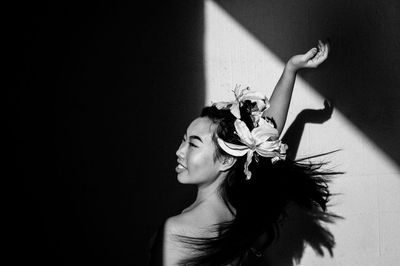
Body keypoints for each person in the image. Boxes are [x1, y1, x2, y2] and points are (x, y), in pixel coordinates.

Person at [148, 40, 332, 265]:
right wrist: (290, 70)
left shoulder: (177, 231)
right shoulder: (242, 222)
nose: (179, 151)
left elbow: (262, 136)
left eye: (193, 144)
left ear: (226, 159)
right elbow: (265, 134)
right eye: (183, 140)